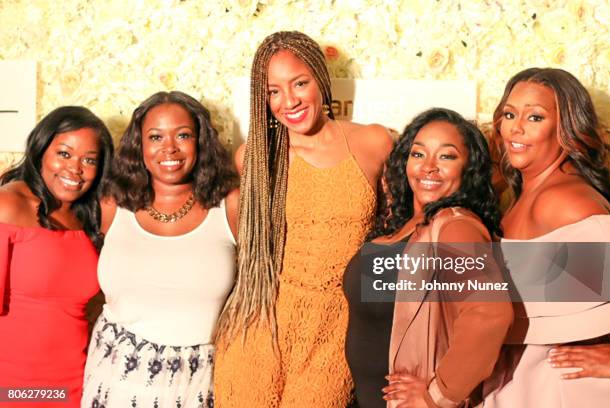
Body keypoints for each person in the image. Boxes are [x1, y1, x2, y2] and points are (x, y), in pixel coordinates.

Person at [213, 31, 393, 407]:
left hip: (336, 325)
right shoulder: (254, 158)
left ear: (321, 80)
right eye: (273, 91)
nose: (289, 101)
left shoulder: (374, 143)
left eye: (299, 83)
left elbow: (402, 232)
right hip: (262, 317)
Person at [344, 108, 513, 408]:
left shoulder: (456, 226)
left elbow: (490, 313)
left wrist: (436, 396)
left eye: (446, 156)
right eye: (418, 154)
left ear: (469, 168)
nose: (428, 167)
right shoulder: (401, 227)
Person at [81, 91, 239, 407]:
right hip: (113, 377)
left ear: (201, 142)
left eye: (183, 135)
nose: (169, 148)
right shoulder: (112, 204)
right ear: (140, 145)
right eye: (155, 136)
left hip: (197, 381)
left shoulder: (231, 205)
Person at [483, 68, 610, 407]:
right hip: (520, 383)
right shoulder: (522, 197)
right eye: (509, 114)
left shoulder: (565, 202)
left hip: (559, 390)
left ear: (567, 128)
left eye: (535, 117)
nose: (516, 127)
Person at [0, 106, 113, 407]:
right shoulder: (9, 204)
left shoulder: (88, 216)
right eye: (64, 153)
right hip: (13, 387)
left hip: (76, 386)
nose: (75, 169)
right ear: (40, 148)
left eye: (89, 160)